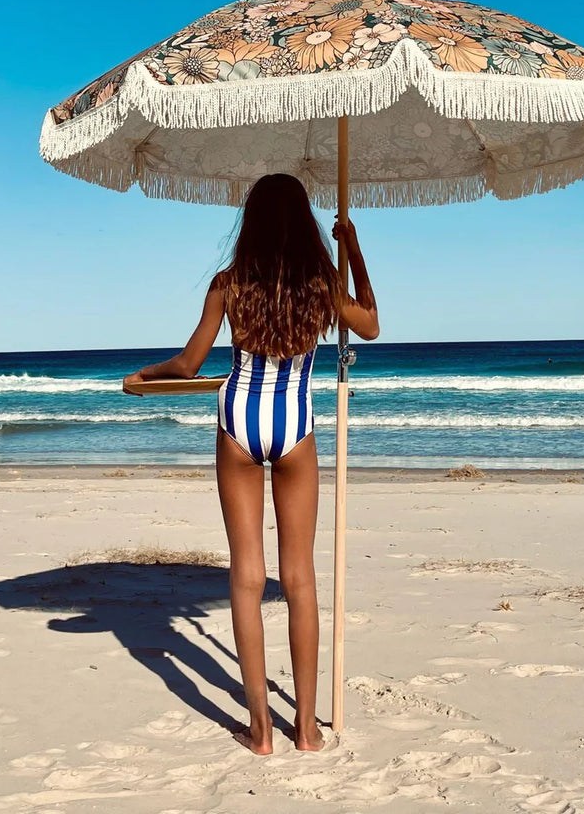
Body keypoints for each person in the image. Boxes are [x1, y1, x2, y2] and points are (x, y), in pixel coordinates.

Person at [122, 174, 378, 754]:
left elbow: (189, 364)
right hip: (294, 426)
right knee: (300, 579)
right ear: (304, 224)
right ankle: (308, 730)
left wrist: (145, 376)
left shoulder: (228, 283)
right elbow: (371, 323)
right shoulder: (321, 284)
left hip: (238, 420)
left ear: (252, 222)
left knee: (245, 575)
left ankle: (261, 731)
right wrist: (354, 250)